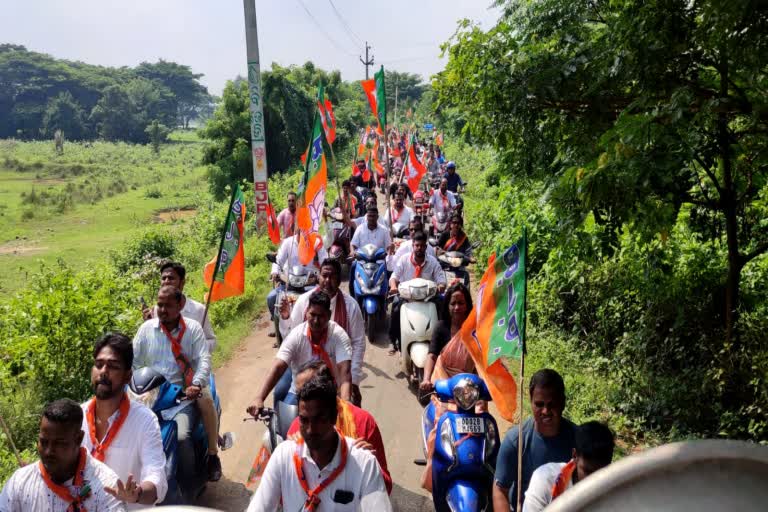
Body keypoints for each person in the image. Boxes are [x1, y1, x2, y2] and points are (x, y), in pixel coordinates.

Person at [246, 372, 392, 511]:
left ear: (334, 417)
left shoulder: (365, 463)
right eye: (304, 420)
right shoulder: (283, 456)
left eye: (319, 419)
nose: (310, 429)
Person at [132, 285, 221, 489]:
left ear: (180, 305)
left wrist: (196, 384)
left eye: (168, 305)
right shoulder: (146, 329)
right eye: (159, 305)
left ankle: (194, 478)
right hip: (153, 396)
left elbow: (203, 360)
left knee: (181, 437)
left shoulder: (193, 329)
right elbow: (134, 361)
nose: (162, 310)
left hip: (183, 396)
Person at [82, 332, 167, 508]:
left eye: (113, 366)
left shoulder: (145, 421)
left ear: (128, 376)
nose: (103, 372)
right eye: (99, 365)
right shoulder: (77, 417)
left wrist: (137, 493)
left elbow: (156, 477)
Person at [285, 361, 392, 494]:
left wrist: (371, 466)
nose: (310, 430)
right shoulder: (296, 428)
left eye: (310, 390)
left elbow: (385, 487)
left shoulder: (364, 422)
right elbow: (285, 492)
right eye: (299, 393)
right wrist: (290, 455)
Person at [0, 399, 125, 511]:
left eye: (59, 443)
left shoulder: (106, 487)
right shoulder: (19, 483)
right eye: (43, 442)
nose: (48, 451)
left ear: (79, 439)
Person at [246, 291, 353, 415]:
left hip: (330, 394)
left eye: (321, 316)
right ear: (306, 312)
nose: (316, 321)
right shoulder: (296, 335)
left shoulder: (338, 336)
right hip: (300, 393)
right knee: (284, 423)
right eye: (312, 314)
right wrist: (259, 397)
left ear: (329, 315)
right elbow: (278, 366)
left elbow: (344, 373)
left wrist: (346, 403)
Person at [279, 259, 366, 406]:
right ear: (318, 277)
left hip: (336, 378)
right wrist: (286, 318)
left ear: (339, 279)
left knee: (352, 418)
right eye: (324, 276)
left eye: (332, 277)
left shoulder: (350, 306)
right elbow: (290, 337)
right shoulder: (304, 301)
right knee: (279, 396)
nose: (327, 281)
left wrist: (354, 379)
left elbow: (358, 343)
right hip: (304, 373)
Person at [418, 283, 476, 491]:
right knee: (441, 421)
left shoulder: (474, 330)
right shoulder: (441, 328)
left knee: (483, 423)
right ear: (448, 305)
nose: (457, 308)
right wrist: (426, 379)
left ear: (468, 305)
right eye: (453, 303)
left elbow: (481, 361)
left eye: (461, 303)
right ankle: (436, 460)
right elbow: (432, 355)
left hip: (469, 389)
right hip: (443, 386)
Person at [493, 369, 577, 512]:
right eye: (539, 404)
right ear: (530, 402)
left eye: (551, 404)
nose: (545, 411)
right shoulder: (516, 441)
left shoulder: (578, 440)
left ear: (563, 403)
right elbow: (500, 490)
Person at [523, 421, 615, 512]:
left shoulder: (615, 494)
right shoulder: (545, 480)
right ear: (575, 456)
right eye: (587, 471)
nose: (594, 480)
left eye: (601, 473)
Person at [388, 231, 446, 355]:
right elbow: (394, 276)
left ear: (426, 247)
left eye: (422, 246)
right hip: (407, 297)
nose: (419, 248)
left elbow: (441, 279)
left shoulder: (433, 262)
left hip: (428, 298)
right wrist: (393, 286)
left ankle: (443, 341)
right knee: (395, 309)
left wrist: (441, 285)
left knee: (443, 307)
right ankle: (394, 341)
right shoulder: (404, 260)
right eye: (417, 245)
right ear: (413, 245)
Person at [143, 261, 217, 352]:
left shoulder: (198, 310)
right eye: (163, 278)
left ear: (182, 282)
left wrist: (195, 346)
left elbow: (212, 341)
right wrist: (148, 324)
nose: (166, 281)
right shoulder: (156, 311)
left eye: (171, 278)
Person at [267, 232, 329, 332]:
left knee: (325, 299)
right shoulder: (288, 243)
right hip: (289, 284)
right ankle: (278, 328)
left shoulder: (316, 242)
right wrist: (275, 272)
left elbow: (325, 261)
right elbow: (278, 261)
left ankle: (325, 327)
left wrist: (321, 274)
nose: (303, 231)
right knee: (271, 297)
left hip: (311, 284)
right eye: (301, 227)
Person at [350, 207, 393, 297]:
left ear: (377, 217)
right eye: (369, 216)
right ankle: (352, 294)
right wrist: (353, 252)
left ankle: (388, 293)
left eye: (373, 216)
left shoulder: (384, 230)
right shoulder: (360, 228)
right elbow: (353, 244)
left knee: (389, 269)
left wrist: (389, 253)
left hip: (379, 262)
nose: (371, 218)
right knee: (353, 266)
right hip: (362, 261)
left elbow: (389, 246)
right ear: (366, 217)